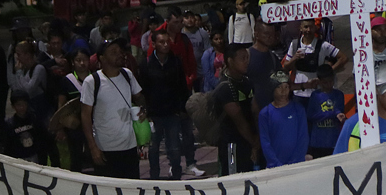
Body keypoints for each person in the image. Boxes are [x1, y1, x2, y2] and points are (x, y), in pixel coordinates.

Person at [139, 29, 204, 179]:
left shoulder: (175, 62)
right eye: (161, 42)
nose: (166, 45)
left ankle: (176, 174)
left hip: (172, 112)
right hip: (154, 113)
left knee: (174, 147)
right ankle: (154, 176)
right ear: (154, 44)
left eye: (167, 42)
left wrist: (182, 108)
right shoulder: (146, 64)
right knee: (154, 147)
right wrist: (146, 110)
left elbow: (181, 86)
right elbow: (143, 89)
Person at [80, 38, 146, 179]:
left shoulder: (127, 74)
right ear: (102, 58)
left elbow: (139, 97)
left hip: (129, 145)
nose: (120, 55)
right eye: (113, 52)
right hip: (105, 148)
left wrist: (143, 110)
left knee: (132, 188)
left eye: (120, 51)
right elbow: (85, 116)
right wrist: (93, 148)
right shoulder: (92, 82)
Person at [213, 45, 260, 175]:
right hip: (231, 146)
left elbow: (255, 110)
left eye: (247, 58)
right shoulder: (225, 88)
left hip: (249, 143)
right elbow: (239, 121)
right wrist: (254, 143)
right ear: (230, 61)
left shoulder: (248, 82)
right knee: (232, 181)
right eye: (242, 58)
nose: (246, 62)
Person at [284, 18, 346, 107]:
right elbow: (286, 67)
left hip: (317, 93)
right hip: (299, 93)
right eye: (306, 27)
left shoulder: (323, 45)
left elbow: (343, 58)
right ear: (300, 28)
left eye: (311, 27)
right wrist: (294, 59)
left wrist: (327, 73)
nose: (308, 30)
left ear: (315, 28)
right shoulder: (294, 44)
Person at [258, 71, 308, 168]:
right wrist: (276, 164)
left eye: (286, 87)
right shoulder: (265, 113)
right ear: (272, 89)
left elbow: (303, 138)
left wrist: (294, 162)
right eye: (279, 87)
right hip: (274, 167)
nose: (283, 91)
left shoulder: (298, 110)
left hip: (296, 165)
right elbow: (265, 142)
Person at [307, 63, 346, 158]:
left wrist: (340, 116)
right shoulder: (315, 95)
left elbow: (339, 111)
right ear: (319, 81)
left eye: (331, 81)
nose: (329, 84)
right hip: (318, 142)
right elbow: (310, 116)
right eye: (325, 82)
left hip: (333, 140)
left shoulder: (339, 95)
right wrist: (331, 113)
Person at [3, 91, 50, 165]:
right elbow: (8, 145)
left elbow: (43, 139)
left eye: (24, 104)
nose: (22, 107)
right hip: (19, 160)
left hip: (35, 157)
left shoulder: (35, 120)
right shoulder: (10, 124)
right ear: (13, 106)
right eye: (18, 105)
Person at [248, 21, 280, 112]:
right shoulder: (246, 56)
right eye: (266, 33)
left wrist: (304, 85)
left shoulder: (273, 58)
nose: (270, 37)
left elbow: (282, 81)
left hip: (272, 111)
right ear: (256, 34)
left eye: (272, 34)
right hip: (251, 113)